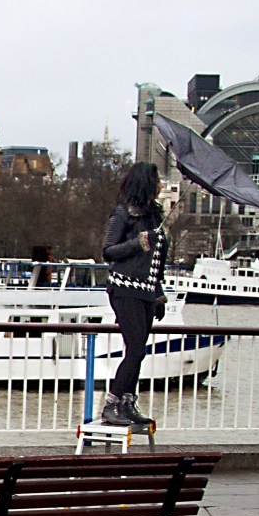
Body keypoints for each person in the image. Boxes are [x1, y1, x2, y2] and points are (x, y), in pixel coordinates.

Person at [101, 162, 168, 427]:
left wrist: (159, 294)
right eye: (158, 180)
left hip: (146, 293)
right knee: (136, 350)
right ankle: (112, 403)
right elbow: (108, 251)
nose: (161, 185)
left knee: (138, 350)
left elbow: (156, 264)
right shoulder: (123, 213)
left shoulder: (154, 218)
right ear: (146, 183)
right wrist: (137, 242)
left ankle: (128, 402)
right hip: (125, 289)